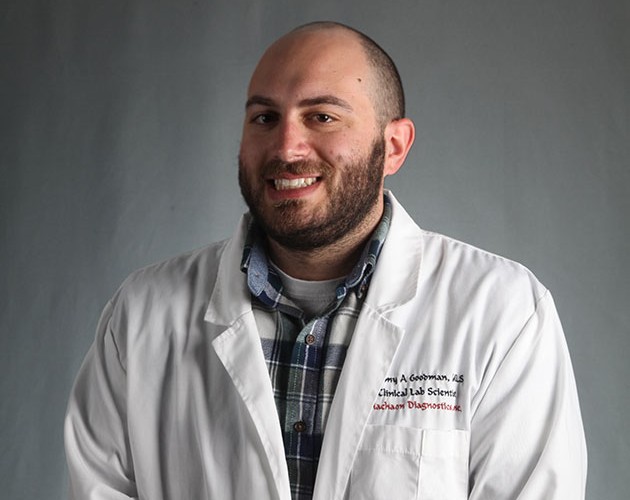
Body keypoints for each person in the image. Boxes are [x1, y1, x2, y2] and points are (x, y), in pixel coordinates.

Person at [64, 21, 587, 500]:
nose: (287, 147)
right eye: (265, 117)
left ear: (394, 146)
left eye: (322, 116)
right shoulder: (143, 313)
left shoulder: (502, 311)